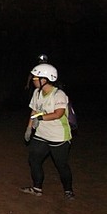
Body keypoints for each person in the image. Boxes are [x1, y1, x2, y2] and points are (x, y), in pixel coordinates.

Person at [21, 62, 75, 199]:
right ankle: (37, 188)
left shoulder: (59, 94)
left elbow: (59, 113)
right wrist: (29, 127)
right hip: (41, 134)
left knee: (61, 165)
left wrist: (41, 118)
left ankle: (68, 190)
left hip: (58, 136)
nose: (33, 80)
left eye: (35, 78)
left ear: (44, 80)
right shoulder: (37, 93)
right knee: (34, 160)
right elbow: (34, 110)